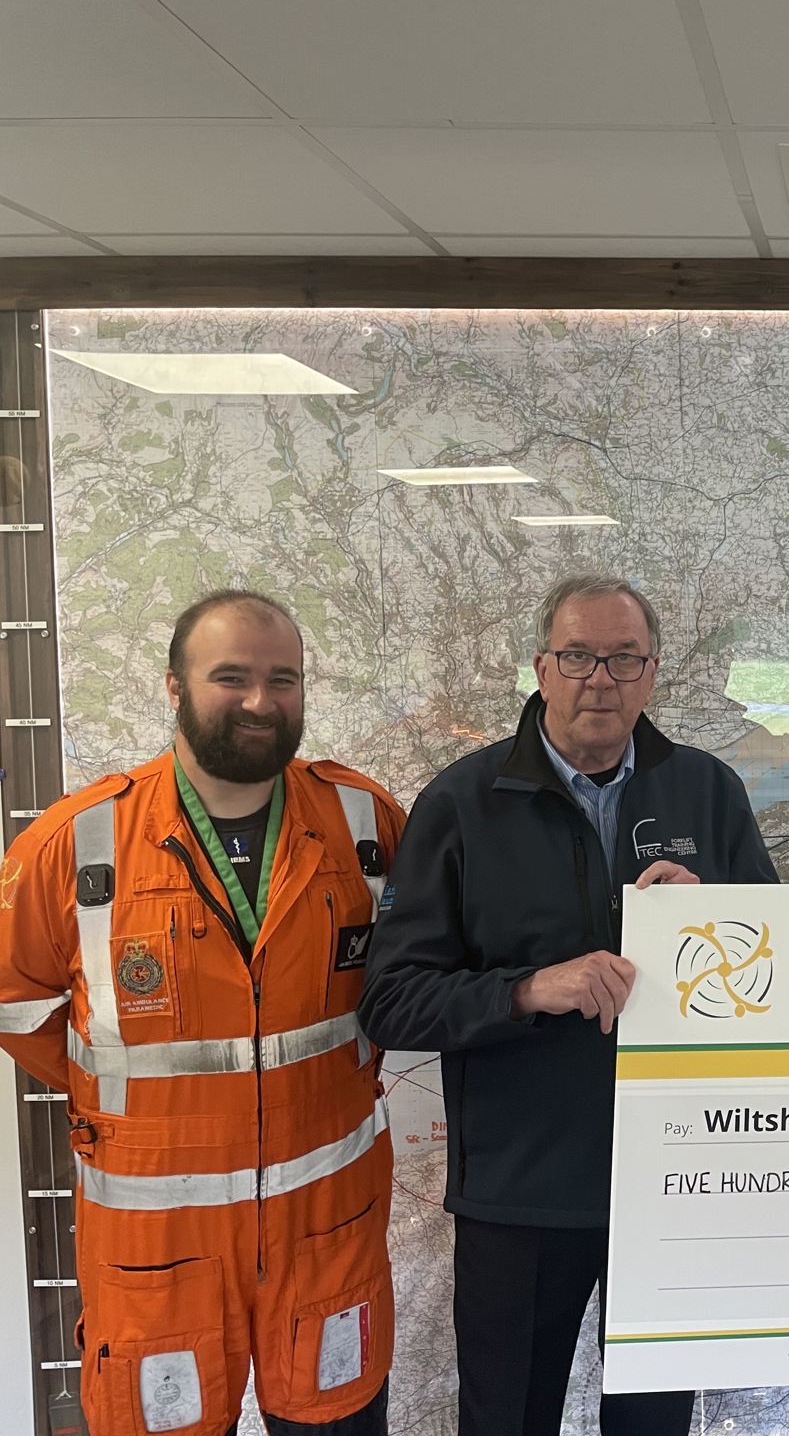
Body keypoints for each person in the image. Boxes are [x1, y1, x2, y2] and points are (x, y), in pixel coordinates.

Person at [357, 573, 778, 1436]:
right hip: (522, 1193)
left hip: (674, 1181)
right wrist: (525, 991)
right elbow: (391, 1001)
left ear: (652, 673)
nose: (601, 679)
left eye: (624, 658)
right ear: (542, 670)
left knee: (655, 1424)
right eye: (580, 656)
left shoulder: (708, 792)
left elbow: (774, 972)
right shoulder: (462, 803)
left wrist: (715, 925)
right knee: (507, 1419)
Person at [0, 590, 404, 1436]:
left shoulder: (363, 823)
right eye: (232, 677)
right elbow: (16, 1005)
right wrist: (138, 1112)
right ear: (174, 686)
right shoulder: (76, 844)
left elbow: (433, 965)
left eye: (282, 679)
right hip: (156, 1258)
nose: (261, 701)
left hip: (327, 1231)